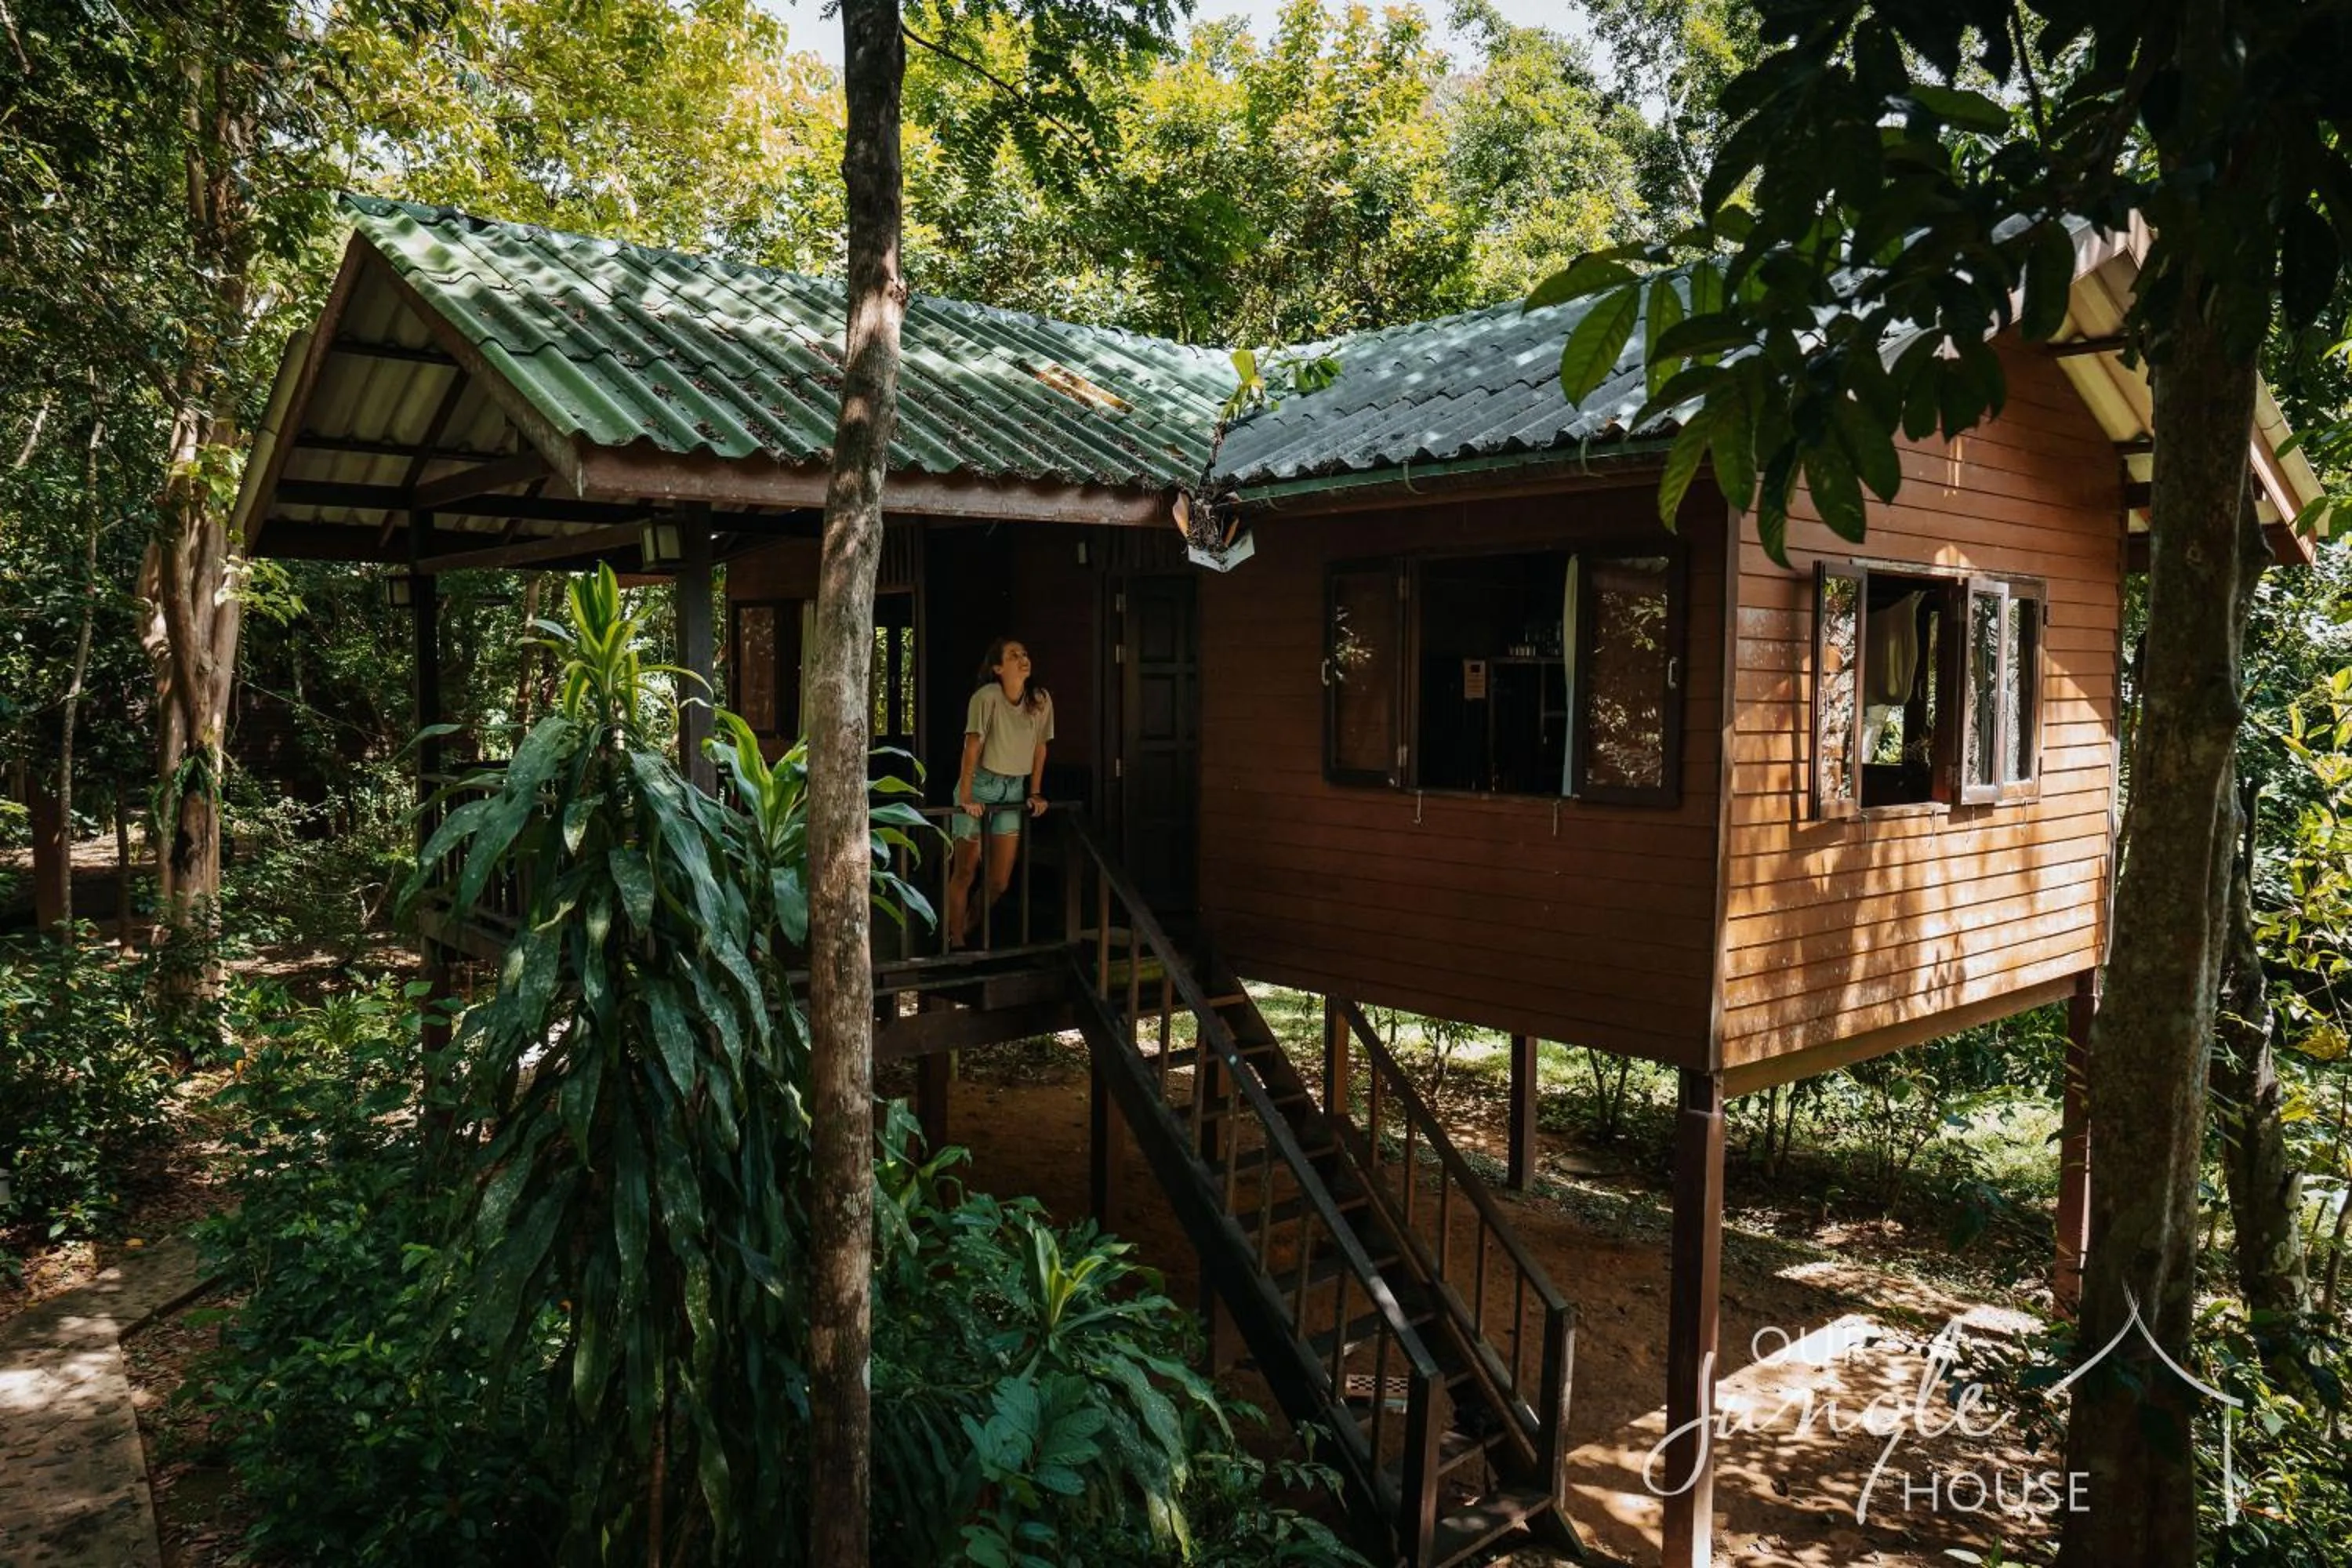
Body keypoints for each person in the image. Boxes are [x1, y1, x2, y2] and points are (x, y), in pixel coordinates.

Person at [946, 637, 1051, 947]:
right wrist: (966, 796)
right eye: (1013, 655)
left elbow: (1040, 748)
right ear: (998, 668)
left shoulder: (1040, 700)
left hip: (1014, 788)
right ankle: (956, 940)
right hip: (981, 782)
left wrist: (1035, 792)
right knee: (966, 870)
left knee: (999, 881)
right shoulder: (987, 697)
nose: (1023, 658)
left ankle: (967, 923)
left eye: (1025, 654)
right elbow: (972, 746)